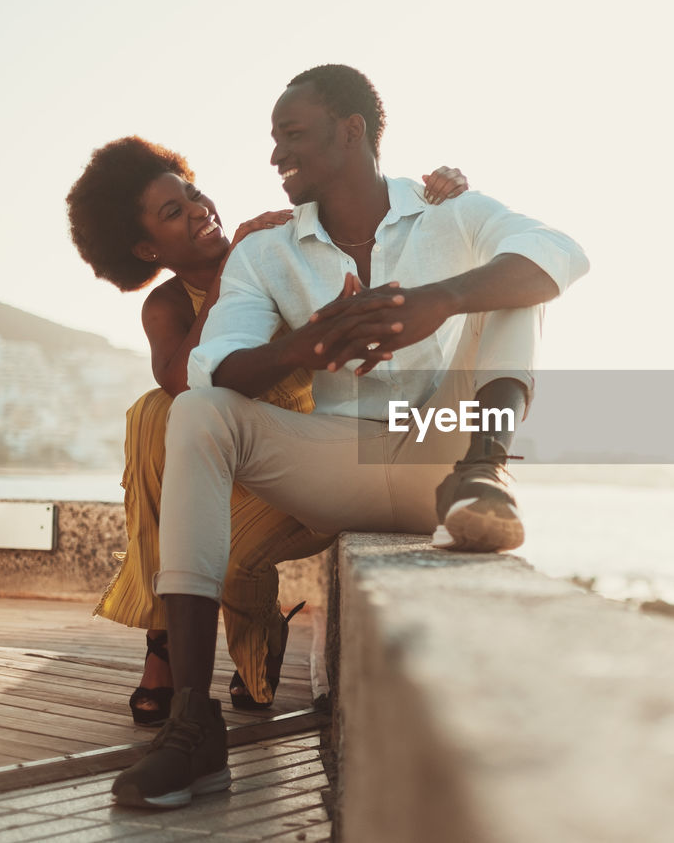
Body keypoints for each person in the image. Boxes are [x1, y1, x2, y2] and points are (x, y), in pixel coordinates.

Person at [111, 63, 587, 809]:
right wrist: (305, 347)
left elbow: (563, 251)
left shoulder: (448, 212)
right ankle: (192, 724)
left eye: (291, 134)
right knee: (194, 410)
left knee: (520, 284)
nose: (274, 155)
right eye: (273, 139)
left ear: (351, 130)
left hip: (438, 443)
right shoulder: (267, 253)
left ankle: (487, 473)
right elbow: (210, 366)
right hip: (338, 459)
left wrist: (442, 300)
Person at [64, 137, 468, 724]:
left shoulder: (274, 251)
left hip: (310, 459)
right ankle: (166, 642)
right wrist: (227, 271)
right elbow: (186, 382)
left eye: (194, 194)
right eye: (174, 212)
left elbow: (363, 244)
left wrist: (443, 198)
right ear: (147, 247)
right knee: (156, 411)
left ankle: (217, 645)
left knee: (220, 546)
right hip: (224, 467)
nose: (200, 210)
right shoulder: (168, 307)